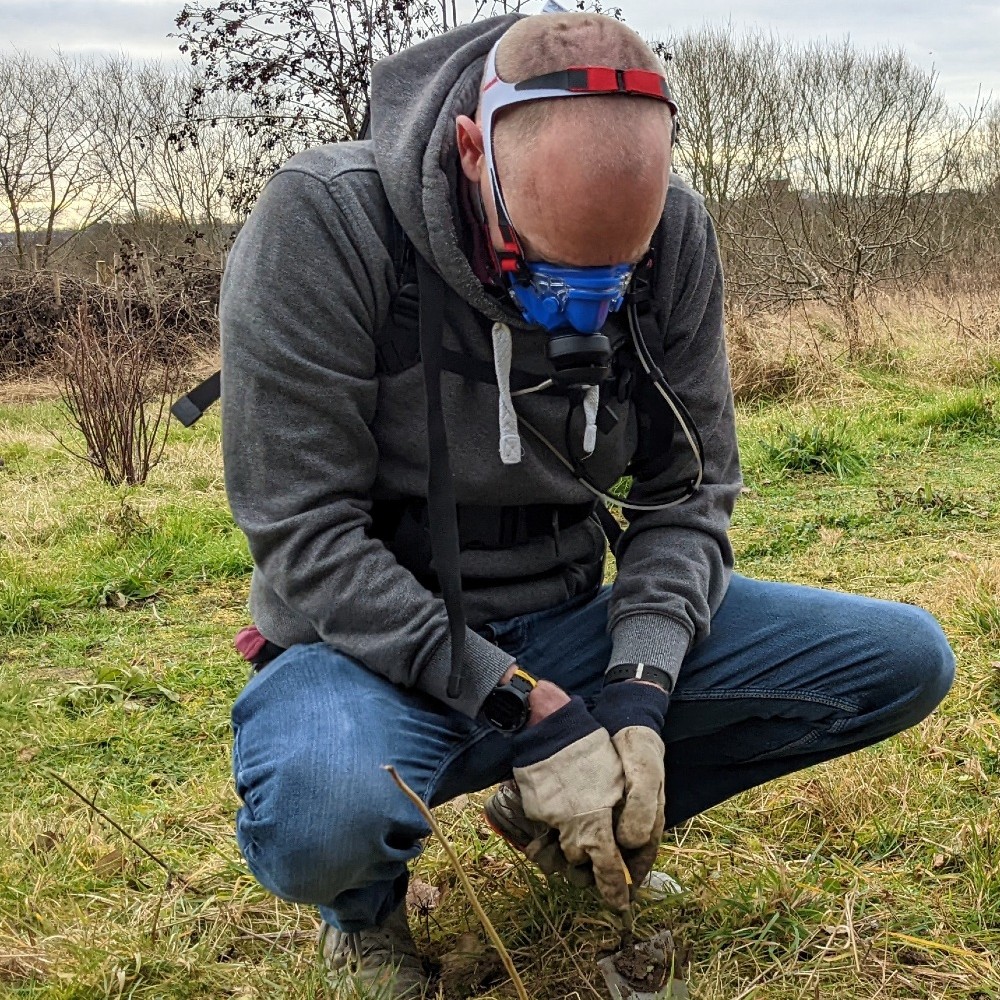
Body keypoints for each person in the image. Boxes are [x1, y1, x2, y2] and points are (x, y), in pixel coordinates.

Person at [219, 10, 955, 997]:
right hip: (361, 649)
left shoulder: (675, 236)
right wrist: (528, 708)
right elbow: (303, 535)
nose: (584, 308)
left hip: (566, 616)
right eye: (551, 269)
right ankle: (365, 913)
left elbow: (687, 494)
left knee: (902, 660)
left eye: (612, 277)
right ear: (473, 153)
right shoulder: (326, 221)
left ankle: (580, 827)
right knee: (320, 820)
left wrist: (639, 691)